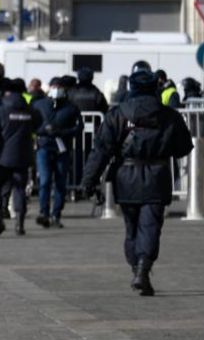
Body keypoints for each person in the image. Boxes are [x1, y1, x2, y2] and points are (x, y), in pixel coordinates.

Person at [81, 65, 193, 296]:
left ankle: (136, 268)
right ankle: (143, 268)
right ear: (154, 88)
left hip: (126, 177)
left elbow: (101, 150)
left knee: (131, 228)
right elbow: (183, 148)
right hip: (157, 177)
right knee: (151, 226)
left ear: (131, 88)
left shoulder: (118, 115)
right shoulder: (168, 116)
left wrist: (89, 181)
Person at [0, 79, 41, 235]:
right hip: (23, 158)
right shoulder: (29, 110)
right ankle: (19, 224)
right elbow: (38, 123)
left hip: (0, 158)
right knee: (19, 189)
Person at [32, 77, 81, 228]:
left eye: (59, 87)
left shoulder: (71, 107)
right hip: (44, 147)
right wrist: (43, 131)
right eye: (54, 86)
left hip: (62, 149)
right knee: (45, 181)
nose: (56, 89)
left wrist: (62, 132)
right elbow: (32, 125)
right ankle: (44, 213)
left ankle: (56, 214)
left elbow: (79, 128)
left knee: (60, 183)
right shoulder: (39, 105)